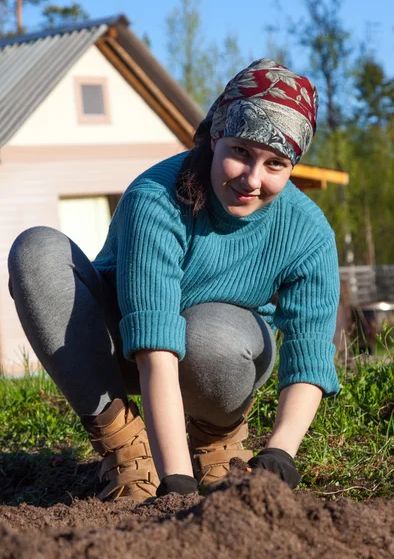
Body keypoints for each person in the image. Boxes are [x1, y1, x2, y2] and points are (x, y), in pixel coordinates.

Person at [7, 58, 340, 502]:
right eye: (240, 151)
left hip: (219, 354)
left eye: (275, 163)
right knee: (37, 250)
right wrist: (177, 484)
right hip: (116, 343)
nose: (252, 179)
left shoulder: (308, 231)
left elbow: (310, 352)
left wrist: (281, 451)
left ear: (292, 166)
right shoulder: (158, 197)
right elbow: (155, 348)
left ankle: (216, 437)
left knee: (214, 335)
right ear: (216, 136)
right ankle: (126, 449)